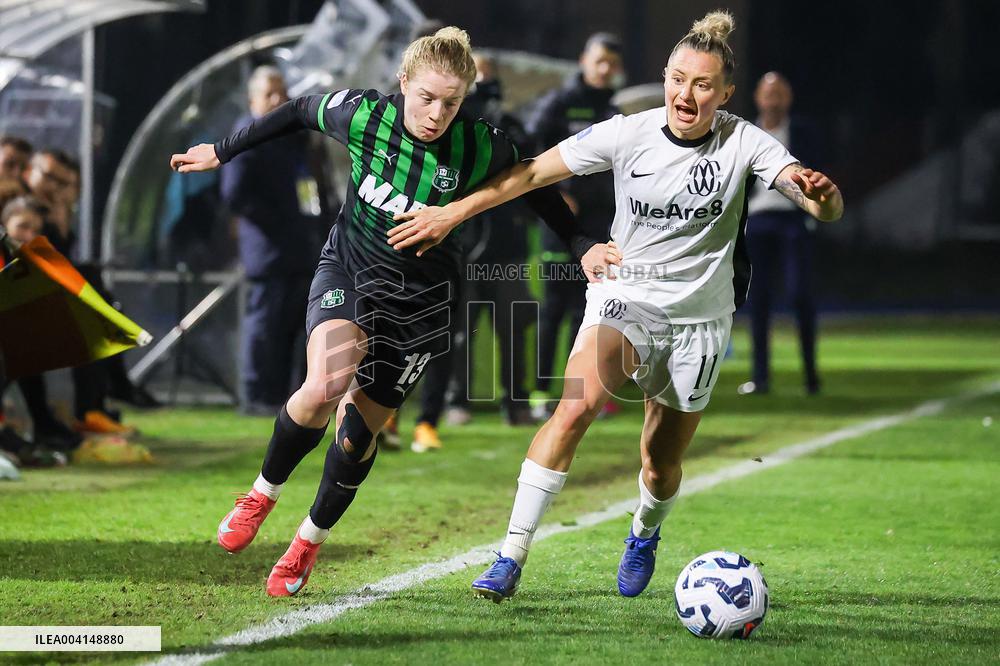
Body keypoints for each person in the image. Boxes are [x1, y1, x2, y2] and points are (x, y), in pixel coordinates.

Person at [389, 11, 843, 602]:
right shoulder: (628, 132)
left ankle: (644, 532)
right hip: (625, 297)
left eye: (703, 84)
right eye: (678, 78)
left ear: (725, 94)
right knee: (573, 410)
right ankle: (510, 554)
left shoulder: (744, 140)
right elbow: (527, 176)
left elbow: (808, 199)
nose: (687, 93)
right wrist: (450, 213)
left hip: (700, 321)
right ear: (664, 78)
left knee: (659, 462)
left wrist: (823, 201)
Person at [170, 26, 593, 597]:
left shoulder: (480, 145)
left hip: (419, 301)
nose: (436, 113)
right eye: (426, 98)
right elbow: (296, 110)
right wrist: (222, 150)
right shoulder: (365, 115)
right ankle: (261, 493)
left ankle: (307, 542)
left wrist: (581, 243)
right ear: (403, 84)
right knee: (325, 384)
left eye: (451, 102)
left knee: (354, 437)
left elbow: (535, 182)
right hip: (349, 269)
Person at [409, 51, 538, 453]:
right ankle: (456, 402)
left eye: (490, 76)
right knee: (460, 330)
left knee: (513, 327)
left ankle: (515, 403)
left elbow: (528, 164)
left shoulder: (508, 126)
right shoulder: (457, 129)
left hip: (508, 248)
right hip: (464, 247)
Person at [526, 33, 623, 421]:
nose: (604, 69)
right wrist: (558, 191)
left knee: (592, 311)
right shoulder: (558, 104)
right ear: (584, 60)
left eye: (611, 63)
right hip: (563, 226)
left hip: (600, 225)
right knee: (554, 309)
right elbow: (530, 150)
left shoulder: (615, 111)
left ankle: (580, 392)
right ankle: (538, 393)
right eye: (599, 60)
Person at [220, 65, 327, 415]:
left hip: (297, 246)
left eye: (282, 92)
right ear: (253, 98)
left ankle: (280, 395)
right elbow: (234, 194)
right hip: (268, 248)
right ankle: (255, 395)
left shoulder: (290, 135)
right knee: (264, 324)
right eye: (269, 93)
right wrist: (280, 221)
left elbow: (307, 183)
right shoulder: (245, 134)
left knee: (290, 327)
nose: (278, 99)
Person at [738, 72, 824, 396]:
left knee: (801, 294)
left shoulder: (802, 132)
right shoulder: (746, 133)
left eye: (780, 94)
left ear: (788, 99)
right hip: (757, 221)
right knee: (757, 299)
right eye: (768, 93)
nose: (773, 100)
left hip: (792, 219)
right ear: (758, 98)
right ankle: (760, 379)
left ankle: (811, 377)